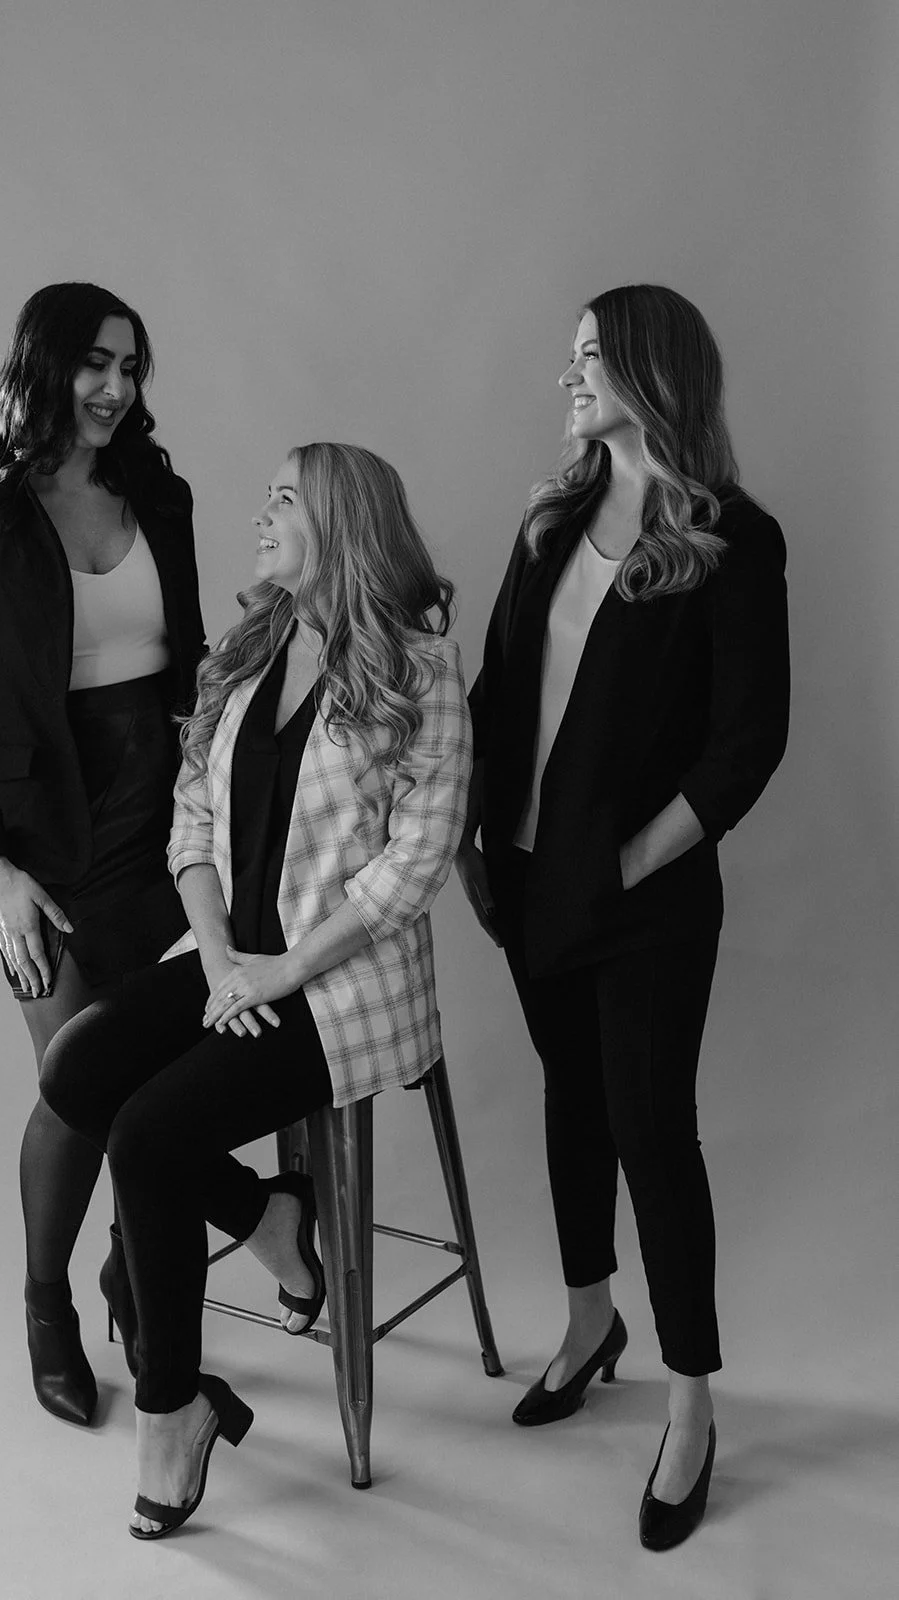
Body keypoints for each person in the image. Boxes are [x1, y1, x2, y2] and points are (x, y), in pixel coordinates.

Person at [39, 442, 470, 1538]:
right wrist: (223, 958)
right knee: (77, 1066)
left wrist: (280, 968)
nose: (260, 515)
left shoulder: (418, 666)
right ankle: (266, 1214)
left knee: (148, 1134)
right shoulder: (250, 646)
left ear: (340, 520)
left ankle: (172, 1413)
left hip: (338, 982)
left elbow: (415, 862)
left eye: (283, 498)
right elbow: (192, 824)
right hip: (231, 957)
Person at [457, 284, 789, 1550]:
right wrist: (473, 848)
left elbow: (748, 736)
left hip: (644, 898)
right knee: (569, 1103)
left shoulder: (728, 537)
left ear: (650, 372)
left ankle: (693, 1402)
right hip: (528, 883)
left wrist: (639, 860)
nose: (567, 378)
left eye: (588, 356)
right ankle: (590, 1317)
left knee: (654, 1132)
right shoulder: (549, 520)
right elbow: (499, 687)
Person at [0, 282, 207, 1427]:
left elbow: (185, 666)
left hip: (166, 827)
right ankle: (47, 1305)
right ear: (42, 365)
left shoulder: (157, 494)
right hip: (43, 843)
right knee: (81, 1080)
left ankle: (133, 1273)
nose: (115, 388)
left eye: (131, 367)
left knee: (165, 1077)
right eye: (94, 363)